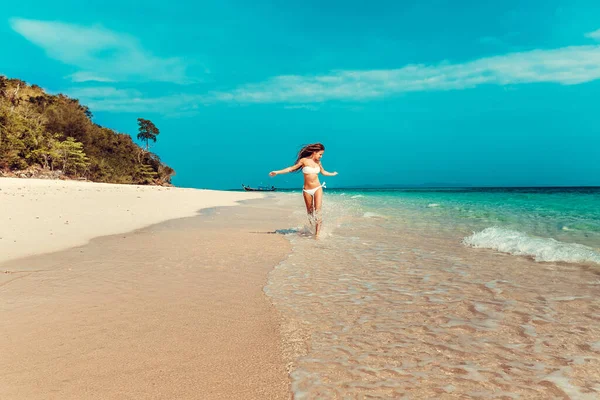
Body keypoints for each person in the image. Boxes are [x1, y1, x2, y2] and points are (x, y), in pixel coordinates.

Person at [269, 143, 338, 237]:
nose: (321, 156)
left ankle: (317, 235)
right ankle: (312, 229)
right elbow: (291, 169)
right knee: (310, 212)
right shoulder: (304, 161)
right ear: (314, 152)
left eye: (322, 155)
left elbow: (323, 172)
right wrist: (277, 172)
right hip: (307, 190)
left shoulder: (318, 163)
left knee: (318, 211)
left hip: (318, 188)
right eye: (320, 154)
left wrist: (332, 174)